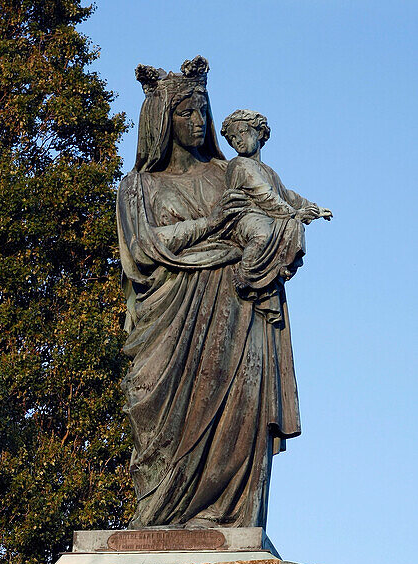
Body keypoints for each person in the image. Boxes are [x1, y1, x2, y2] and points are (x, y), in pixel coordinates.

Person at [116, 58, 301, 529]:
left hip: (237, 312)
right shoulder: (138, 187)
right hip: (170, 322)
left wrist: (283, 233)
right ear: (162, 121)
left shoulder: (231, 173)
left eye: (203, 112)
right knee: (161, 425)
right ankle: (162, 516)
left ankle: (227, 520)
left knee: (239, 423)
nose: (199, 123)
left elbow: (279, 221)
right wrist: (213, 224)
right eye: (186, 114)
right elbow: (143, 248)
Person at [220, 108, 331, 311]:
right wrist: (294, 213)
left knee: (292, 227)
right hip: (244, 217)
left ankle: (279, 268)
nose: (238, 141)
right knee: (263, 234)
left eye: (242, 133)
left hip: (268, 216)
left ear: (259, 133)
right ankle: (246, 272)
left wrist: (312, 208)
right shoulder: (239, 164)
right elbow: (265, 195)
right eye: (232, 138)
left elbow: (287, 196)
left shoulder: (269, 171)